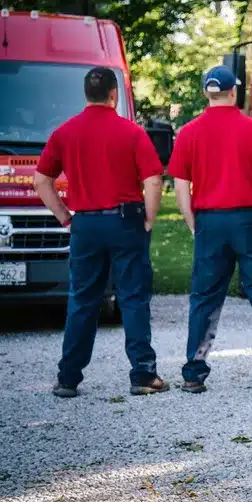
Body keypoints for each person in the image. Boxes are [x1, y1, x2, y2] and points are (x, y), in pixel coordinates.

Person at [34, 66, 168, 398]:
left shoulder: (65, 133)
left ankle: (68, 378)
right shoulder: (132, 133)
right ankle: (142, 375)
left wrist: (66, 218)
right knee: (133, 298)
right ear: (114, 95)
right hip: (125, 222)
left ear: (86, 95)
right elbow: (153, 180)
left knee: (82, 300)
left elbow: (41, 181)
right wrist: (149, 218)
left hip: (86, 225)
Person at [168, 66, 252, 393]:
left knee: (205, 298)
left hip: (210, 219)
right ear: (233, 93)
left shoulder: (189, 133)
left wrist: (192, 220)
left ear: (206, 93)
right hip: (249, 218)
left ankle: (194, 372)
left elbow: (181, 185)